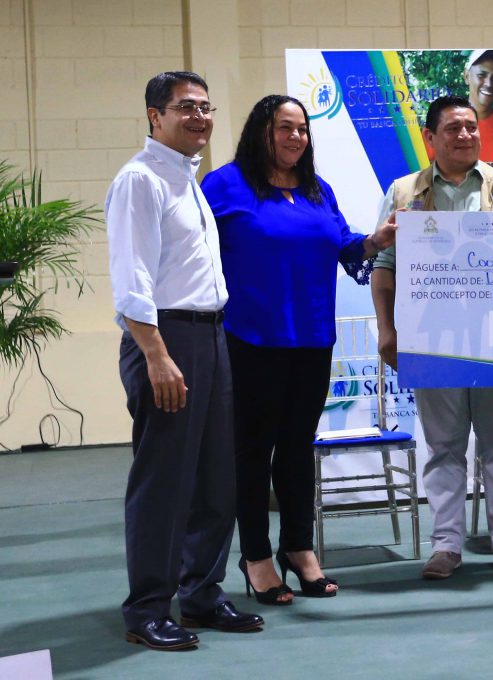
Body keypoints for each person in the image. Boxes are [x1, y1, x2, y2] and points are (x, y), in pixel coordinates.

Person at [201, 95, 395, 604]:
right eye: (284, 127)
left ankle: (299, 548)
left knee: (296, 448)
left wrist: (374, 241)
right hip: (249, 339)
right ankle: (256, 557)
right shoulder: (225, 184)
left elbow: (342, 244)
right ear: (260, 131)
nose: (296, 137)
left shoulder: (316, 188)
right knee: (252, 452)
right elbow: (195, 253)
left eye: (303, 129)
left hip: (311, 338)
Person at [106, 71, 263, 651]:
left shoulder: (188, 179)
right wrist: (156, 354)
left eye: (205, 107)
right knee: (166, 481)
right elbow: (132, 279)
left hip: (210, 335)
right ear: (156, 116)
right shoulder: (140, 180)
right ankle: (147, 608)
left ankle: (201, 593)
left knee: (217, 477)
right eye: (186, 107)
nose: (200, 117)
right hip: (166, 339)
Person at [372, 95, 493, 579]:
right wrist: (386, 329)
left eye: (470, 127)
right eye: (452, 128)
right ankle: (446, 545)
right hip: (432, 338)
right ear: (430, 137)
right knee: (443, 446)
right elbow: (384, 265)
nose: (465, 135)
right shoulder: (404, 191)